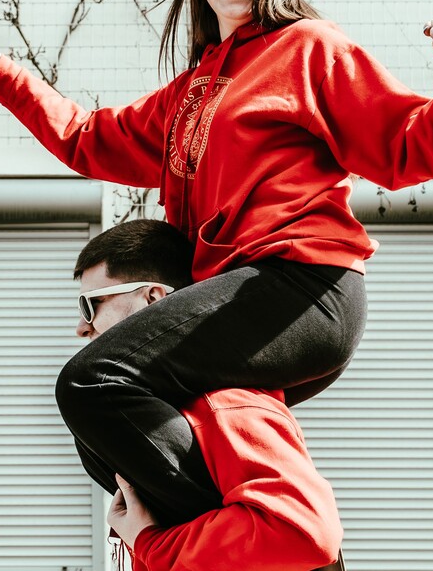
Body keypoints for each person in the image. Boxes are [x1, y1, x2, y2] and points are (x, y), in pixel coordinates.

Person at [0, 0, 433, 524]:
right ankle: (226, 538)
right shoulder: (193, 88)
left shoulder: (308, 48)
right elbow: (88, 138)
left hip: (302, 283)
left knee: (94, 379)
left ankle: (274, 539)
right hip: (236, 290)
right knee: (105, 445)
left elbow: (409, 149)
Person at [76, 219, 345, 571]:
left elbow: (302, 532)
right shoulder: (159, 410)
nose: (81, 327)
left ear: (153, 299)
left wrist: (150, 542)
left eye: (91, 305)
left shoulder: (224, 402)